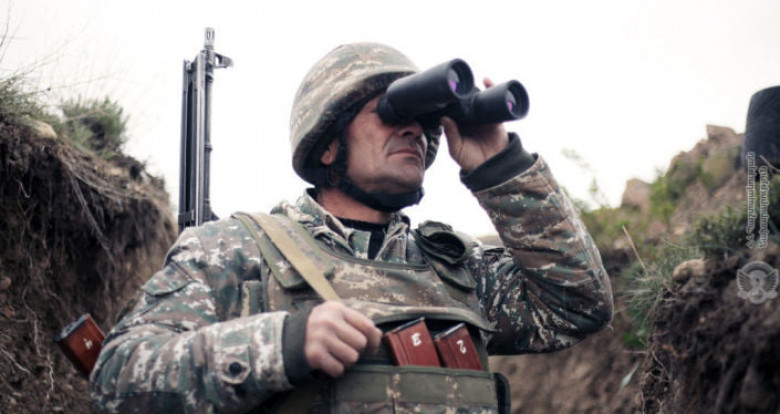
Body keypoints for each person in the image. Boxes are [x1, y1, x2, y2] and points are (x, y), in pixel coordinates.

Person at [90, 42, 613, 413]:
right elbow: (117, 376)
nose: (414, 129)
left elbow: (577, 306)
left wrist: (499, 167)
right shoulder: (233, 251)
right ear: (327, 143)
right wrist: (282, 344)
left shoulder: (456, 268)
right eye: (391, 112)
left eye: (424, 119)